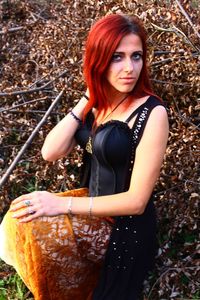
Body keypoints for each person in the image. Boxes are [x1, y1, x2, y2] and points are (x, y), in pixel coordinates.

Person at [0, 13, 169, 300]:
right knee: (21, 215)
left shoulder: (153, 113)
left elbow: (137, 202)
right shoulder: (97, 106)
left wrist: (60, 204)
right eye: (117, 57)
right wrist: (87, 98)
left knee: (40, 227)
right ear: (98, 60)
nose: (129, 68)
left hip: (124, 228)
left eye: (136, 56)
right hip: (91, 210)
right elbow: (49, 152)